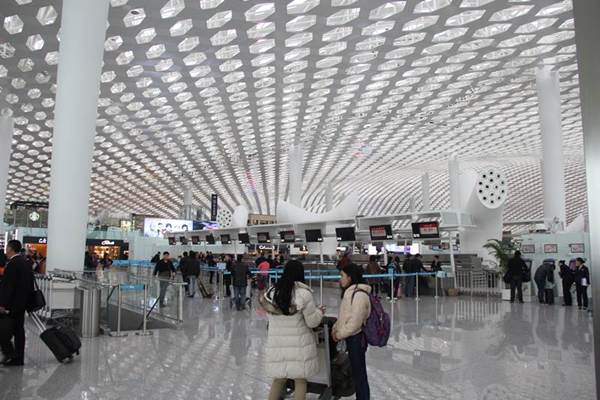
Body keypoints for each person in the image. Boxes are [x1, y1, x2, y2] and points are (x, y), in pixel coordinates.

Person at [260, 260, 324, 400]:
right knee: (300, 380)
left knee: (278, 379)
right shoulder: (303, 294)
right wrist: (319, 312)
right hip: (298, 345)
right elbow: (312, 322)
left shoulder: (272, 292)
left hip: (278, 343)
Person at [332, 263, 371, 400]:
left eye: (342, 276)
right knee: (356, 372)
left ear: (350, 277)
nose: (340, 279)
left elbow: (355, 323)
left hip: (356, 338)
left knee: (359, 374)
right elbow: (345, 316)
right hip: (351, 337)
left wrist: (339, 334)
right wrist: (336, 328)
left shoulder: (359, 295)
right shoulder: (351, 293)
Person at [0, 240, 34, 366]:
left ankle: (10, 353)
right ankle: (18, 358)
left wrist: (2, 305)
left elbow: (8, 287)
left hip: (12, 305)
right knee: (19, 331)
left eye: (7, 247)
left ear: (10, 249)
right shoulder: (25, 262)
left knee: (4, 330)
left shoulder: (13, 264)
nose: (6, 250)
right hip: (21, 304)